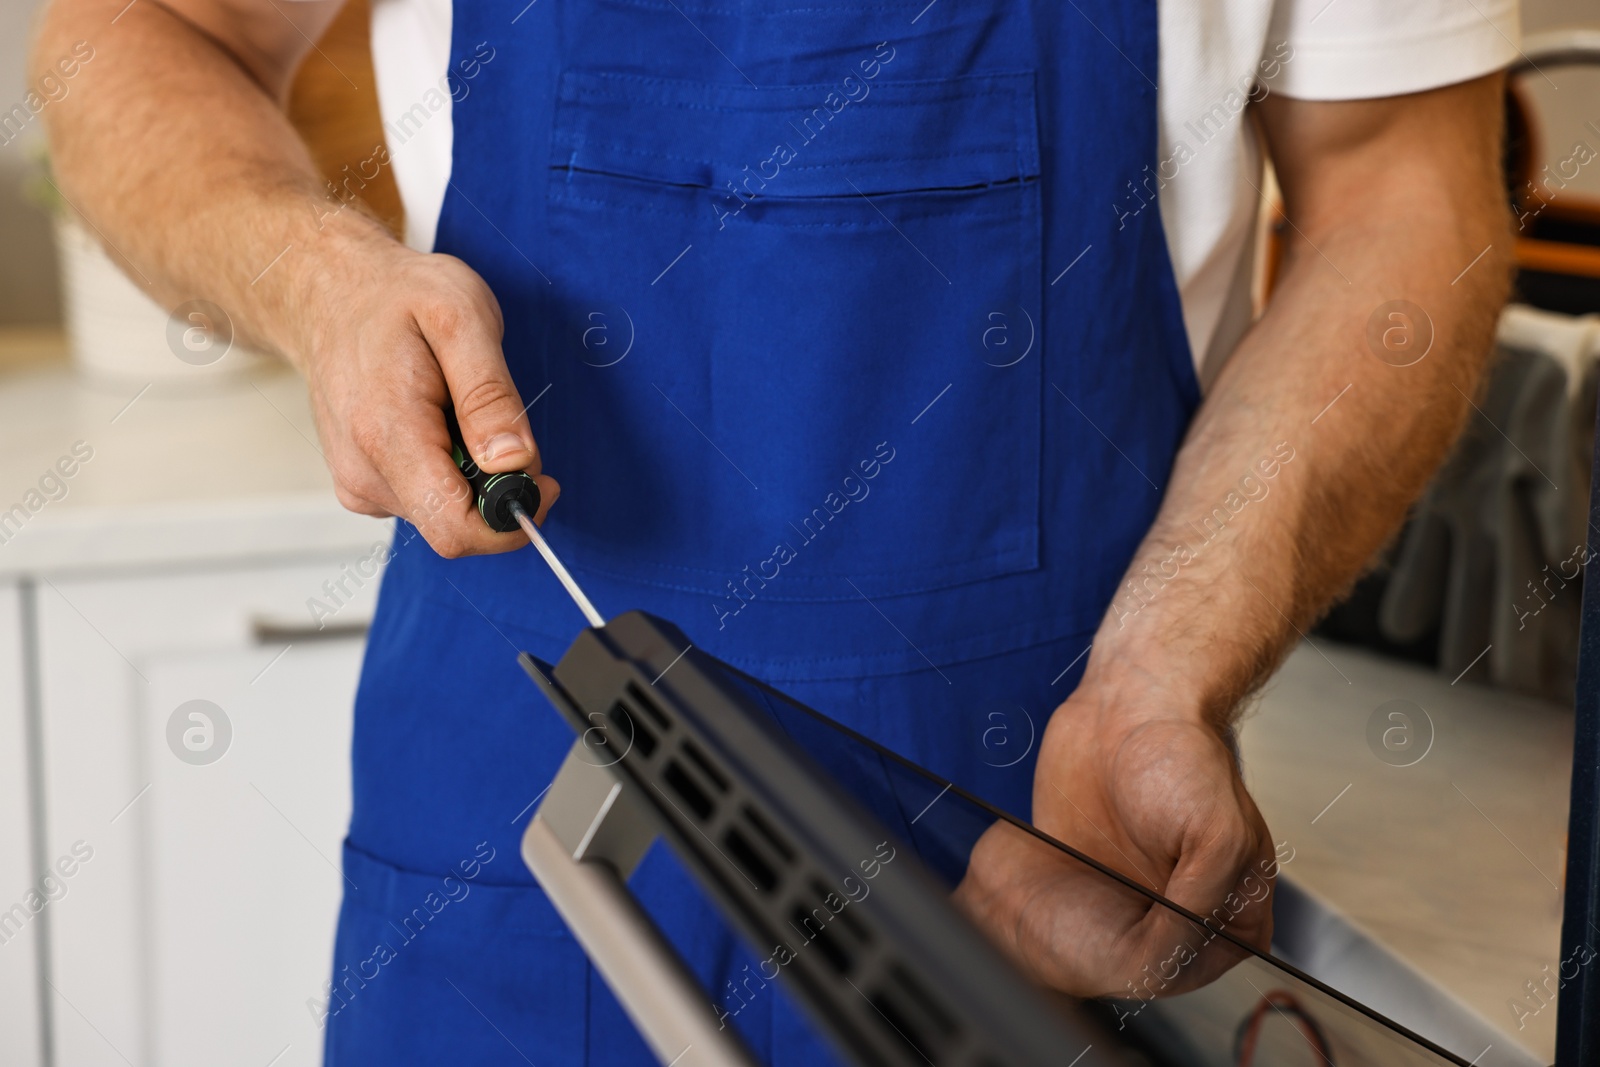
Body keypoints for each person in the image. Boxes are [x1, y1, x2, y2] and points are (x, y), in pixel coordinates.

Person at [34, 0, 1516, 1061]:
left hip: (1046, 835)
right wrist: (314, 277)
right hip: (514, 833)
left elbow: (1397, 183)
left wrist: (1170, 668)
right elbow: (135, 28)